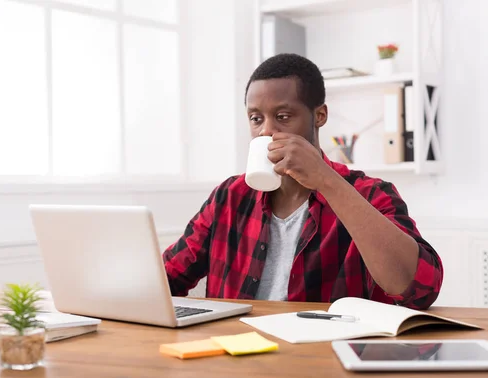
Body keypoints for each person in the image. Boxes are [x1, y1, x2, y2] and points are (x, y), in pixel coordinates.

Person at [163, 53, 442, 310]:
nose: (267, 130)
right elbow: (168, 277)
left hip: (322, 356)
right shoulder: (228, 196)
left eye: (283, 117)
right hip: (237, 353)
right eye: (256, 118)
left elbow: (420, 290)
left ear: (319, 116)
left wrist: (326, 180)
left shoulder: (370, 194)